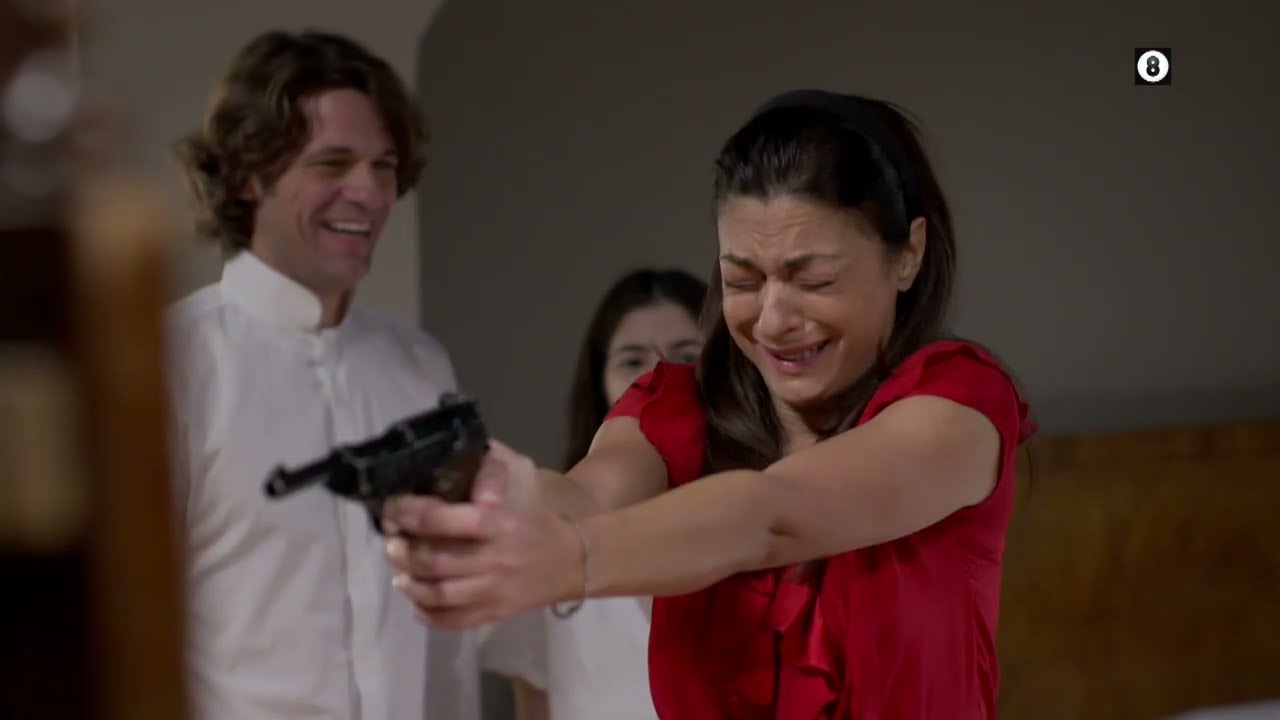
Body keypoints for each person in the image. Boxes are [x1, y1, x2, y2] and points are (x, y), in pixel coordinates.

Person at [381, 89, 1037, 718]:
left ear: (908, 255)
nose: (773, 320)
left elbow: (774, 515)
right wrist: (493, 494)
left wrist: (573, 560)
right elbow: (588, 496)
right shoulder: (676, 408)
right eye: (741, 281)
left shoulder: (958, 403)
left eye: (814, 280)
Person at [165, 29, 479, 719]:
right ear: (249, 176)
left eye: (384, 167)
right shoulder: (175, 363)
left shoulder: (420, 366)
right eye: (333, 164)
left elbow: (446, 629)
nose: (368, 192)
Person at [480, 268, 707, 720]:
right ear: (599, 381)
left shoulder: (764, 521)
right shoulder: (543, 538)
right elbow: (534, 704)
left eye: (686, 356)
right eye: (632, 361)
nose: (659, 380)